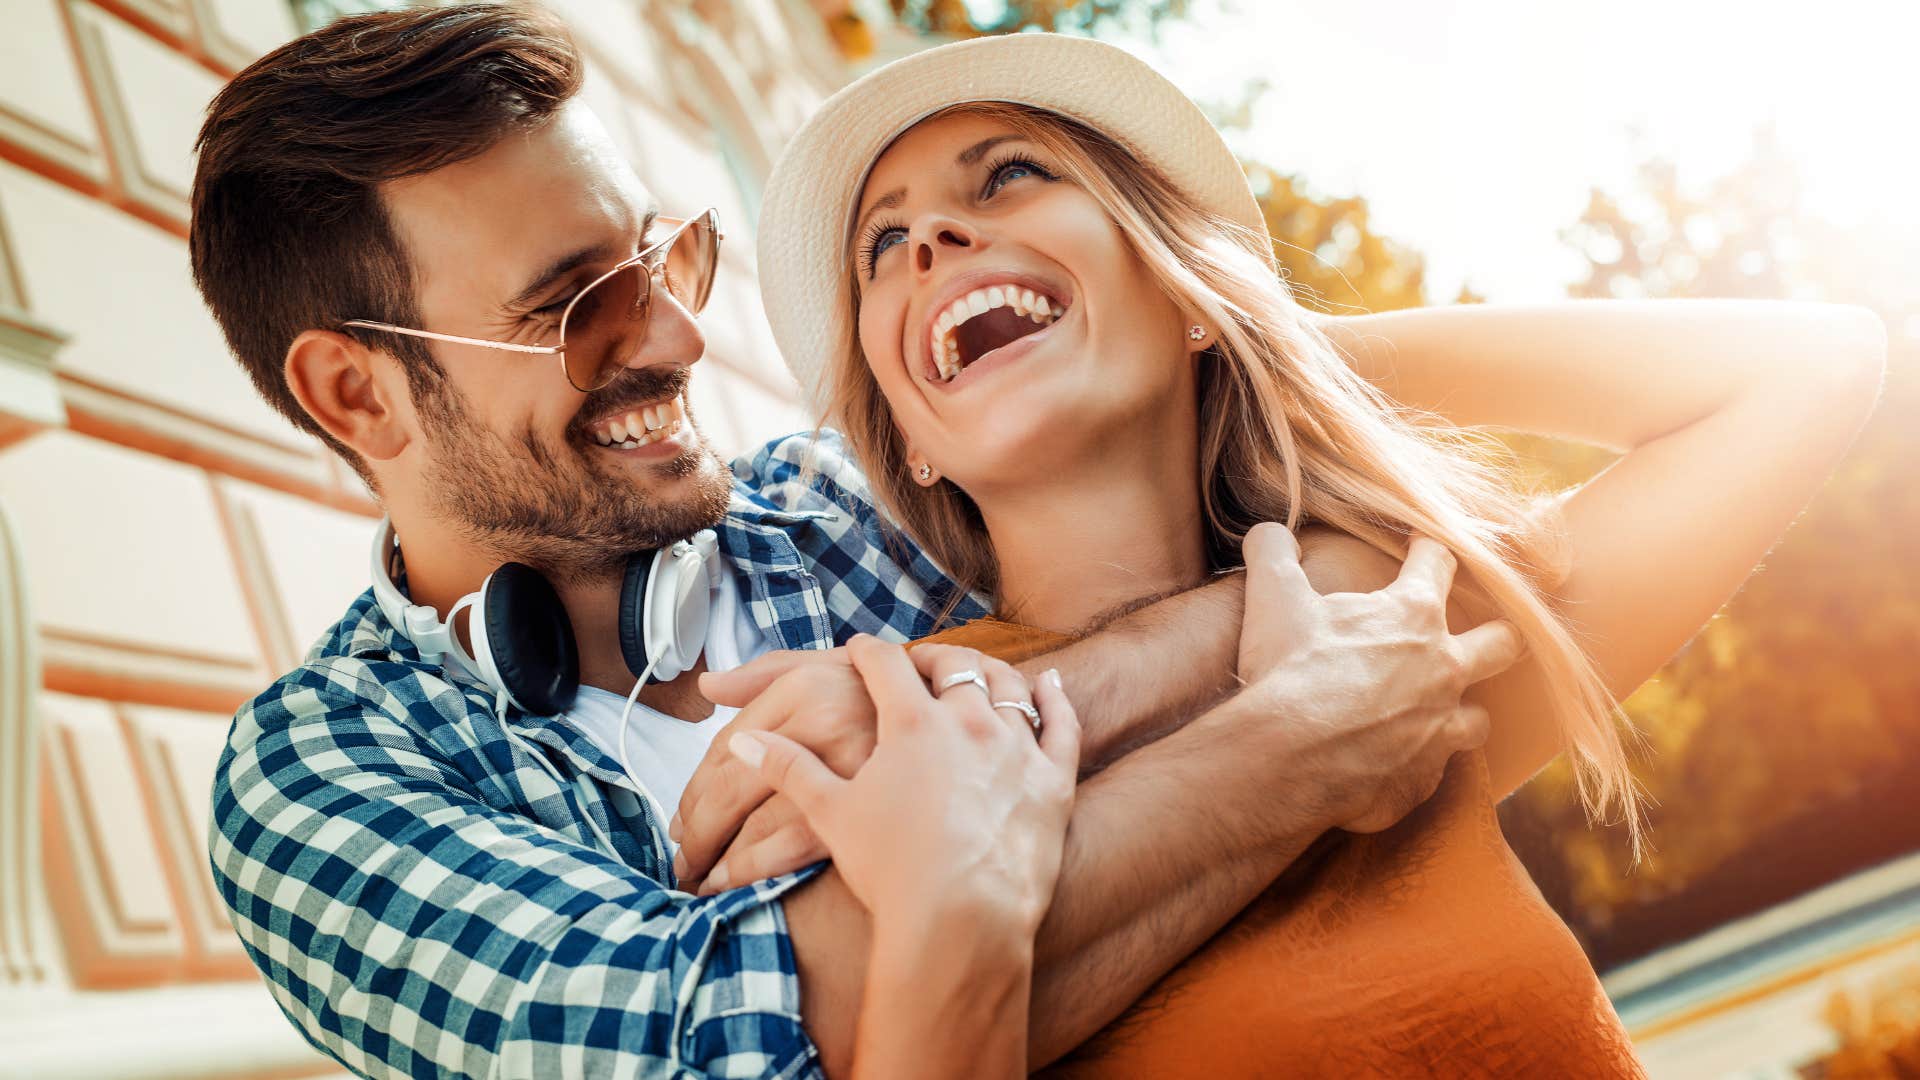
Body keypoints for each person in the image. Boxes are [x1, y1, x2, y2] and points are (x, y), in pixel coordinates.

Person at [193, 6, 1523, 1076]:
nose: (673, 338)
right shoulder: (317, 776)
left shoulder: (843, 502)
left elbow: (1329, 518)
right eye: (579, 304)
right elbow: (754, 1037)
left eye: (663, 261)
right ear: (357, 394)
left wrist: (1007, 699)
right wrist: (1288, 751)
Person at [688, 30, 1888, 1075]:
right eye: (881, 249)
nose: (934, 239)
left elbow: (1810, 367)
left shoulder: (1403, 648)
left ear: (1182, 285)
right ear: (910, 439)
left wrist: (1267, 336)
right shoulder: (878, 727)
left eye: (1009, 177)